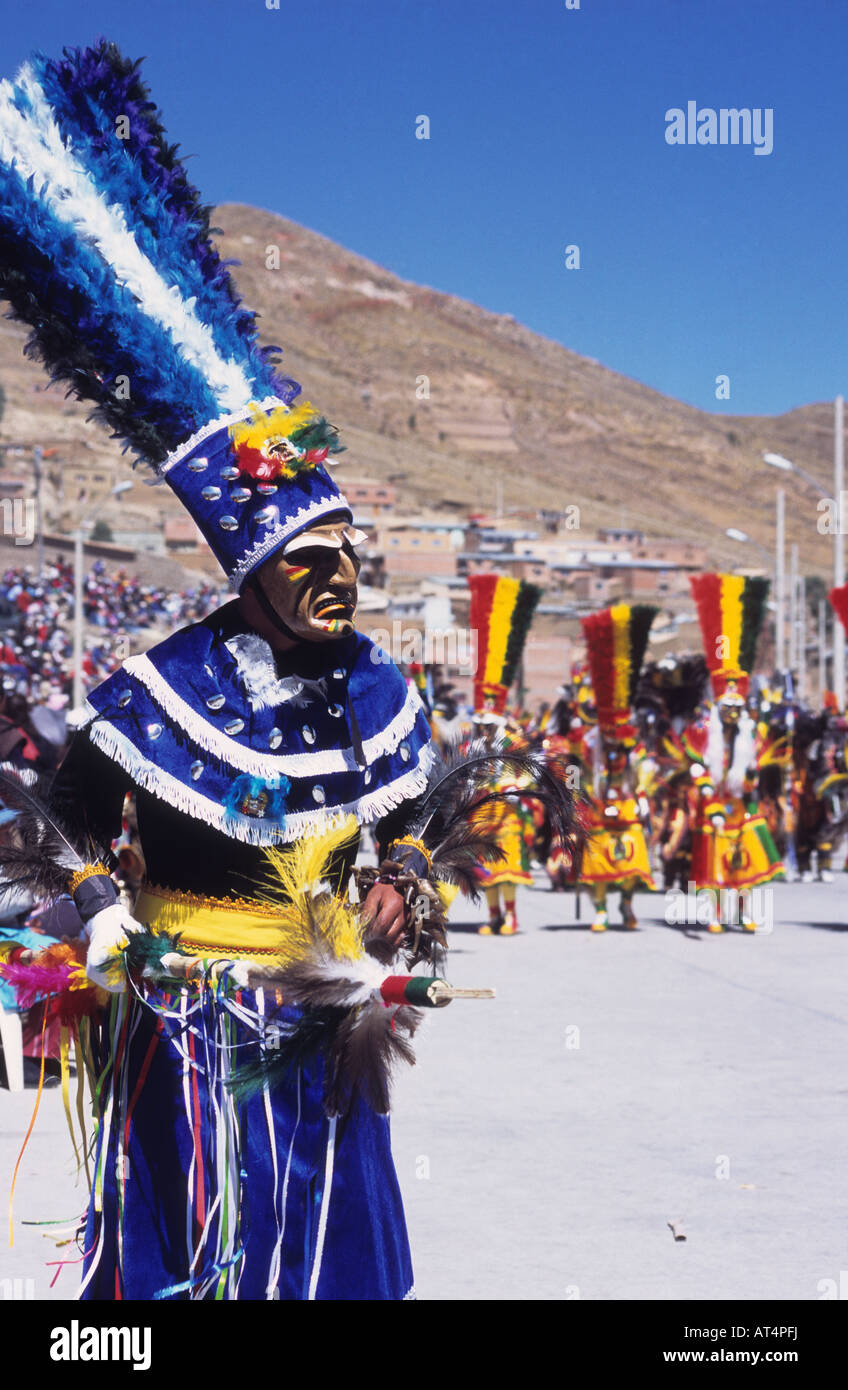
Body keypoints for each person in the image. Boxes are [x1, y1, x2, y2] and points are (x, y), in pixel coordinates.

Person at [0, 39, 442, 1300]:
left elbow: (417, 816)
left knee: (328, 1255)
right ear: (248, 571)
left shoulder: (381, 696)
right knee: (195, 1257)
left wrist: (408, 881)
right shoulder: (157, 693)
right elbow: (54, 823)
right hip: (187, 1036)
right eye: (310, 555)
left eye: (348, 552)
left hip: (326, 1023)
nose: (339, 574)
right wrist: (101, 919)